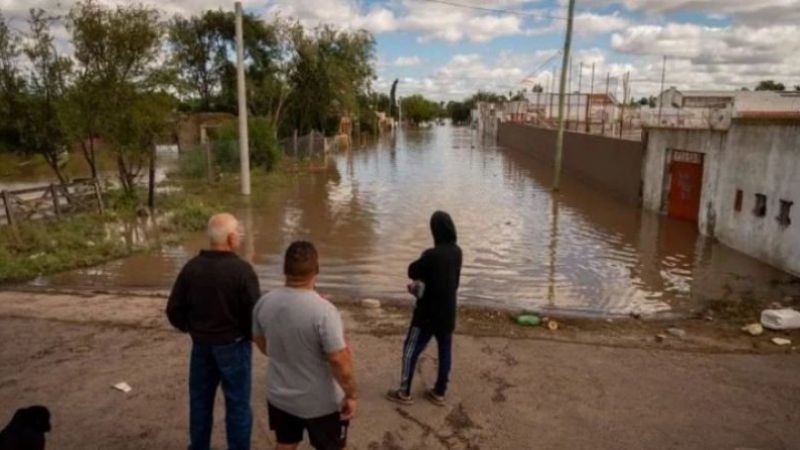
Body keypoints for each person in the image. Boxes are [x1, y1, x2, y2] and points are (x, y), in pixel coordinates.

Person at [166, 213, 260, 450]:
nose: (239, 235)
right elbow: (255, 316)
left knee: (200, 403)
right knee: (237, 405)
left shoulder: (191, 268)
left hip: (201, 346)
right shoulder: (242, 270)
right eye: (237, 231)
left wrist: (191, 328)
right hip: (234, 346)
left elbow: (174, 310)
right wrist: (247, 335)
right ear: (230, 238)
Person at [252, 241, 356, 450]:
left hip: (280, 396)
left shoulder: (264, 303)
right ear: (317, 270)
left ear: (285, 269)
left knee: (286, 444)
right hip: (322, 403)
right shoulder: (325, 311)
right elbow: (338, 359)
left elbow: (263, 344)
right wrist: (351, 394)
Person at [386, 211, 462, 406]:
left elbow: (412, 270)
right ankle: (440, 391)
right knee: (444, 351)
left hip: (426, 315)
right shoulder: (457, 252)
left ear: (434, 231)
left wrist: (417, 286)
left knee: (411, 349)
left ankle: (404, 392)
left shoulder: (430, 255)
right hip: (448, 313)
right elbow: (453, 284)